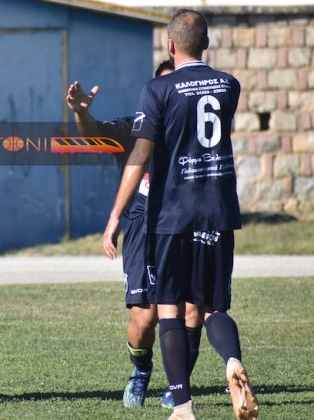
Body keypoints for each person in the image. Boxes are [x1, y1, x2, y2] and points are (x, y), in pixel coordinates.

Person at [103, 9, 259, 420]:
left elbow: (140, 155)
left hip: (173, 215)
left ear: (170, 47)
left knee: (169, 306)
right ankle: (231, 362)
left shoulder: (157, 89)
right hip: (219, 212)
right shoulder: (230, 85)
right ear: (206, 43)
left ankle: (183, 407)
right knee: (212, 309)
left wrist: (116, 214)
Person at [69, 58, 205, 410]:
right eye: (164, 88)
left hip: (188, 225)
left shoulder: (198, 132)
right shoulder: (136, 126)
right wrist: (81, 113)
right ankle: (141, 370)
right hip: (145, 230)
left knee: (191, 311)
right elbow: (94, 133)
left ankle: (178, 386)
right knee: (145, 320)